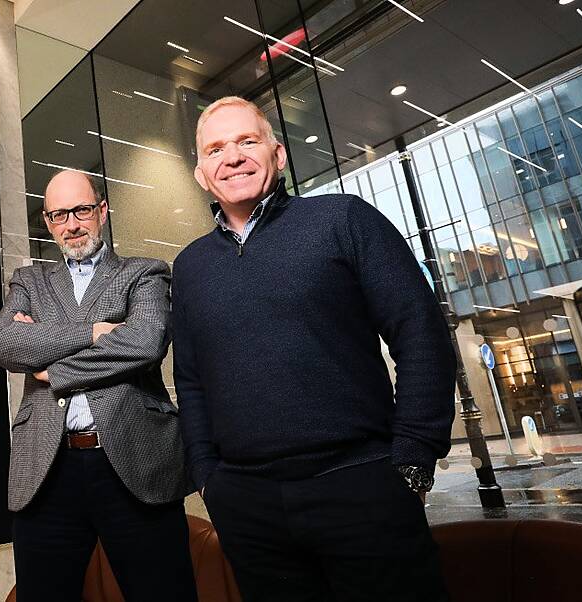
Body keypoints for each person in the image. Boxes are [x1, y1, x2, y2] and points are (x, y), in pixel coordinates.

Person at [172, 96, 455, 601]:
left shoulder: (343, 220)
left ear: (278, 155)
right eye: (216, 148)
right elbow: (191, 381)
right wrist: (208, 477)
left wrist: (412, 457)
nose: (232, 156)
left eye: (247, 141)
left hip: (362, 488)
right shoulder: (190, 267)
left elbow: (421, 332)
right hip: (247, 505)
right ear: (201, 174)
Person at [0, 169, 196, 601]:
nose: (72, 224)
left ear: (101, 211)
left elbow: (144, 342)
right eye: (59, 214)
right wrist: (95, 332)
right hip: (47, 470)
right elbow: (5, 344)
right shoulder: (30, 281)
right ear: (48, 222)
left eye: (81, 210)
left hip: (133, 459)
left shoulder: (144, 272)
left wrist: (52, 368)